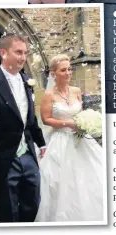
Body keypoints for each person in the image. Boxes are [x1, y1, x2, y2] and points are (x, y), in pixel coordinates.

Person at [0, 33, 46, 223]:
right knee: (7, 211)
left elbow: (28, 117)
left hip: (28, 155)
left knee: (33, 202)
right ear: (3, 53)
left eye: (25, 53)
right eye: (18, 52)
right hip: (2, 158)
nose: (23, 57)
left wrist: (40, 142)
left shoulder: (27, 80)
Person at [35, 54, 104, 222]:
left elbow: (79, 113)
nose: (68, 73)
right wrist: (68, 124)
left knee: (91, 175)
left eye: (69, 69)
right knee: (60, 181)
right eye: (63, 70)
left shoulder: (76, 91)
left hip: (80, 138)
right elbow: (46, 119)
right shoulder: (48, 95)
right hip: (60, 140)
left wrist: (84, 122)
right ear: (53, 73)